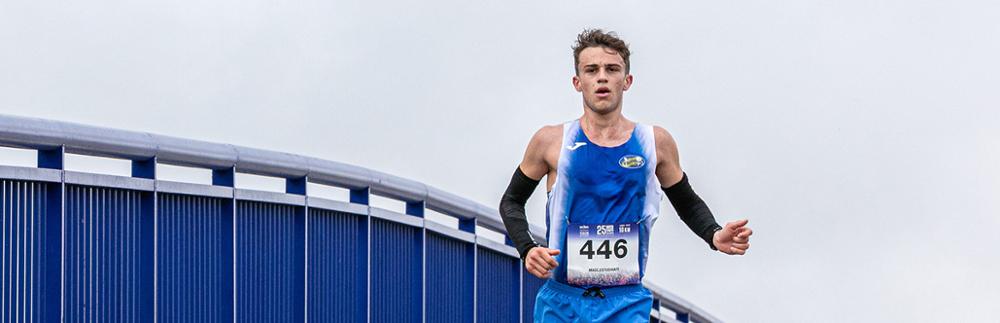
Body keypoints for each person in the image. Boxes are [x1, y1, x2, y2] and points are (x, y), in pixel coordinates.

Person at [498, 29, 754, 322]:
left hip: (625, 303)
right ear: (577, 82)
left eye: (612, 69)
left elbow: (687, 202)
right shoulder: (551, 141)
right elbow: (511, 201)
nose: (602, 77)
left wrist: (713, 233)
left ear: (627, 81)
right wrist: (528, 248)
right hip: (561, 302)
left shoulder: (654, 142)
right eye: (592, 70)